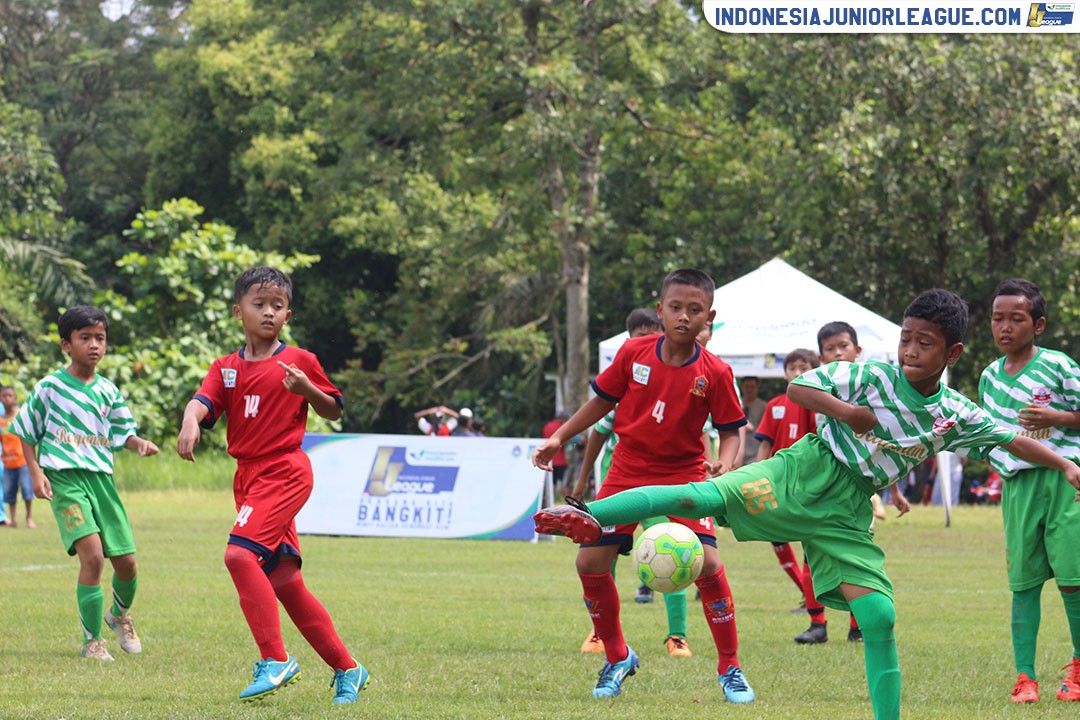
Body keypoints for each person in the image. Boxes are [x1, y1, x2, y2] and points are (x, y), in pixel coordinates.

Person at [535, 288, 1080, 720]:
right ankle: (589, 516)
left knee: (880, 615)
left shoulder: (956, 414)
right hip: (803, 471)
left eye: (925, 344)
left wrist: (1067, 464)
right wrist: (848, 413)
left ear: (953, 353)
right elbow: (800, 392)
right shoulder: (869, 374)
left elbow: (1011, 437)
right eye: (905, 339)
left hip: (845, 513)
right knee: (703, 494)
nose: (910, 352)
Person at [533, 269, 755, 703]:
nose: (684, 318)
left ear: (709, 316)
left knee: (707, 565)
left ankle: (730, 666)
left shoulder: (716, 372)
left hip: (685, 478)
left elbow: (733, 431)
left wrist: (725, 464)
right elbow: (601, 401)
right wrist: (561, 436)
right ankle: (617, 656)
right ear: (660, 310)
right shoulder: (633, 352)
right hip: (627, 471)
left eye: (695, 311)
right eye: (675, 308)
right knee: (589, 565)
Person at [176, 267, 369, 704]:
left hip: (284, 471)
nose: (268, 312)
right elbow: (203, 400)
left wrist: (308, 390)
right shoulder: (225, 367)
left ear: (288, 315)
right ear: (237, 311)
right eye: (259, 304)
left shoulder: (299, 361)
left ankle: (276, 660)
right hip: (247, 477)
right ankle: (349, 669)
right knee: (283, 582)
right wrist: (191, 420)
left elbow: (334, 410)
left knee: (239, 556)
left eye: (277, 306)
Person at [10, 305, 158, 661]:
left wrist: (139, 444)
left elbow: (124, 432)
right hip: (65, 481)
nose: (94, 345)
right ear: (66, 344)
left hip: (102, 482)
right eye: (85, 338)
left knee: (127, 563)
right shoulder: (50, 387)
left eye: (100, 338)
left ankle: (119, 615)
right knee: (92, 558)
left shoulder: (108, 391)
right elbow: (25, 432)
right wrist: (35, 472)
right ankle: (92, 641)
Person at [570, 307, 697, 658]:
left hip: (661, 486)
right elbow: (598, 432)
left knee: (671, 548)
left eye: (652, 337)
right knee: (598, 555)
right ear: (628, 342)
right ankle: (599, 633)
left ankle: (677, 636)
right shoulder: (624, 380)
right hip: (621, 481)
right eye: (639, 338)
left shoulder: (680, 378)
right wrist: (582, 482)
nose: (646, 345)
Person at [977, 278, 1080, 704]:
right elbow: (985, 433)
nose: (1005, 327)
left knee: (1073, 580)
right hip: (1018, 487)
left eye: (1015, 319)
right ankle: (1026, 678)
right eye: (997, 319)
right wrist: (995, 460)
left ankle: (1076, 670)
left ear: (1037, 325)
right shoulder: (987, 377)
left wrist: (1056, 417)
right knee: (1023, 583)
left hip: (1065, 483)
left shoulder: (1059, 365)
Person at [752, 349, 823, 637]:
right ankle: (805, 594)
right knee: (776, 536)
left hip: (807, 486)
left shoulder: (816, 405)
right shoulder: (774, 405)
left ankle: (819, 614)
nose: (797, 372)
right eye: (792, 368)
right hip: (778, 484)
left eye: (803, 368)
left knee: (812, 545)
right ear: (784, 374)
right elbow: (764, 445)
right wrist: (756, 476)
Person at [1, 384, 35, 528]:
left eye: (10, 396)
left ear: (15, 398)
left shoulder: (20, 415)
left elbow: (29, 436)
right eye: (4, 396)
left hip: (23, 461)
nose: (7, 398)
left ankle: (29, 518)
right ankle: (13, 519)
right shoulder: (1, 420)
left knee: (27, 490)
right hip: (8, 463)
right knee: (10, 493)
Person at [739, 376, 767, 466]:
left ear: (757, 388)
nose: (749, 390)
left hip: (755, 454)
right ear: (741, 388)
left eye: (752, 387)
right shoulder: (736, 404)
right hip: (737, 453)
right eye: (747, 387)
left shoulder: (764, 406)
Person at [542, 410, 570, 495]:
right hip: (561, 461)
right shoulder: (562, 427)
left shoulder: (546, 426)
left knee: (552, 484)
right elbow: (564, 442)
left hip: (550, 461)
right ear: (561, 418)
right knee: (565, 484)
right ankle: (569, 503)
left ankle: (551, 501)